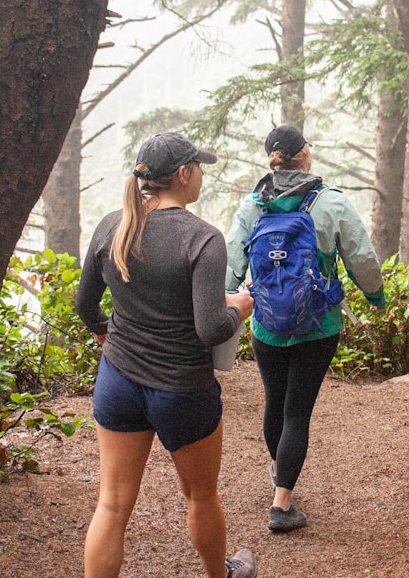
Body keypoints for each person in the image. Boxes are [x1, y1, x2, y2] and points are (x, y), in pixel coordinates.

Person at [76, 132, 257, 578]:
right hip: (182, 389)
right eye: (199, 168)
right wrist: (240, 310)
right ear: (182, 174)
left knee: (113, 505)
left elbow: (85, 306)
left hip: (118, 381)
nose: (201, 177)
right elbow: (208, 329)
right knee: (200, 496)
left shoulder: (111, 227)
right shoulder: (202, 239)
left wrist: (108, 336)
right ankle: (222, 575)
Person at [225, 124, 386, 533]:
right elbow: (361, 257)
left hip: (267, 326)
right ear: (306, 154)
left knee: (275, 402)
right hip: (319, 325)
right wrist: (375, 295)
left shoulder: (252, 205)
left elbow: (230, 266)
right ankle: (281, 505)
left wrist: (223, 302)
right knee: (298, 411)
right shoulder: (330, 202)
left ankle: (281, 469)